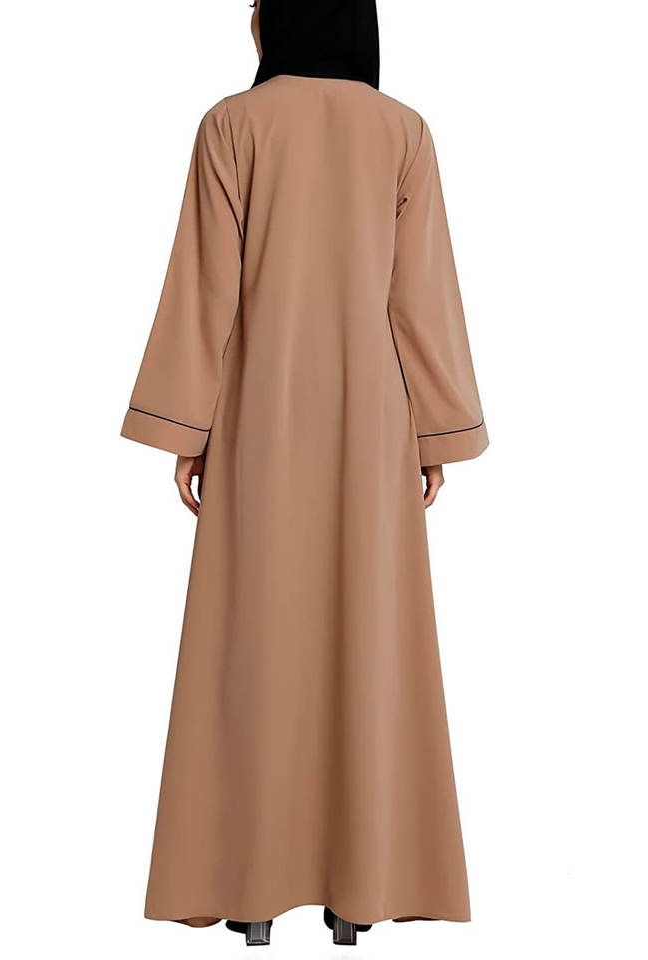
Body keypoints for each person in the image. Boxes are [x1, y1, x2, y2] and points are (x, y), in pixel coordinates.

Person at [121, 0, 488, 946]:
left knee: (253, 645)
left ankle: (251, 886)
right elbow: (421, 296)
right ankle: (356, 891)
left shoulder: (232, 125)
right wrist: (435, 434)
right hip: (373, 426)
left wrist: (187, 426)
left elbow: (205, 288)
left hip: (258, 419)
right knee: (368, 643)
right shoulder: (402, 131)